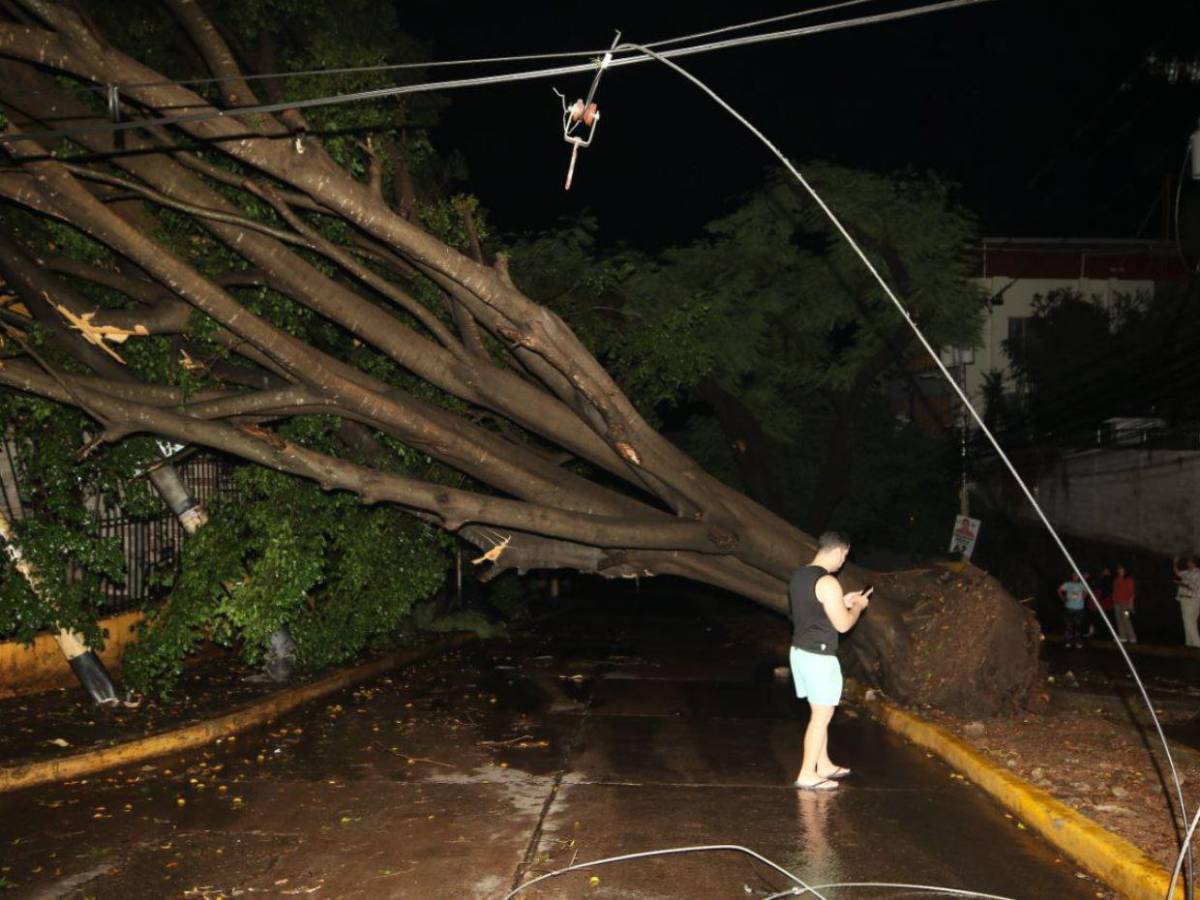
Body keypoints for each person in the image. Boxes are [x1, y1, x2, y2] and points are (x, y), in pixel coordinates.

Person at [789, 531, 871, 792]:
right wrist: (857, 606)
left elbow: (815, 610)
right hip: (819, 657)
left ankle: (822, 764)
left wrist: (842, 601)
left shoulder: (800, 574)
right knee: (822, 716)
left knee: (818, 712)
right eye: (844, 556)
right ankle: (807, 773)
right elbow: (844, 624)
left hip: (800, 651)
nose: (843, 562)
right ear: (837, 551)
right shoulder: (828, 582)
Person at [1174, 555, 1200, 648]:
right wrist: (1175, 563)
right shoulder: (1188, 572)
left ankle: (1198, 645)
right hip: (1185, 599)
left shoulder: (1198, 573)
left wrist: (1182, 584)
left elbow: (1195, 587)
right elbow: (1178, 573)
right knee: (1188, 623)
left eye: (1189, 562)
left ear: (1194, 562)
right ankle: (1189, 645)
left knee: (1189, 623)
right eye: (1187, 562)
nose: (1187, 563)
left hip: (1192, 599)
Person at [1057, 572, 1087, 649]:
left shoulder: (1081, 584)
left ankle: (1078, 642)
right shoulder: (1068, 584)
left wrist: (1083, 596)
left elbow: (1086, 591)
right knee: (1069, 626)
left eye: (1077, 576)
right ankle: (1068, 642)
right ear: (1072, 576)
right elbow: (1059, 590)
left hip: (1079, 608)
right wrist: (1063, 599)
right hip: (1069, 608)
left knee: (1078, 626)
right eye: (1074, 576)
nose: (1075, 577)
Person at [1111, 563, 1137, 643]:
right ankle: (1123, 636)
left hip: (1125, 604)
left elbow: (1132, 593)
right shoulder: (1116, 580)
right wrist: (1114, 601)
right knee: (1119, 620)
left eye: (1122, 569)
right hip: (1117, 603)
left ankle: (1132, 637)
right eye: (1119, 569)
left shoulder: (1129, 579)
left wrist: (1131, 604)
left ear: (1125, 570)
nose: (1120, 571)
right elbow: (1114, 591)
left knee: (1126, 619)